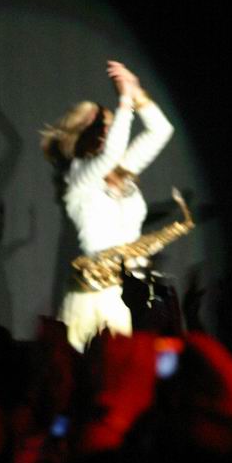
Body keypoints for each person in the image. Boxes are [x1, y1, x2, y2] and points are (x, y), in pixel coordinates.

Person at [41, 61, 174, 351]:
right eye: (97, 126)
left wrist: (137, 92)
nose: (105, 131)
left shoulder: (123, 170)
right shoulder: (77, 176)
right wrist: (125, 101)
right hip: (95, 297)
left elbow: (162, 130)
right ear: (79, 133)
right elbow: (110, 154)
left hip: (133, 291)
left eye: (109, 125)